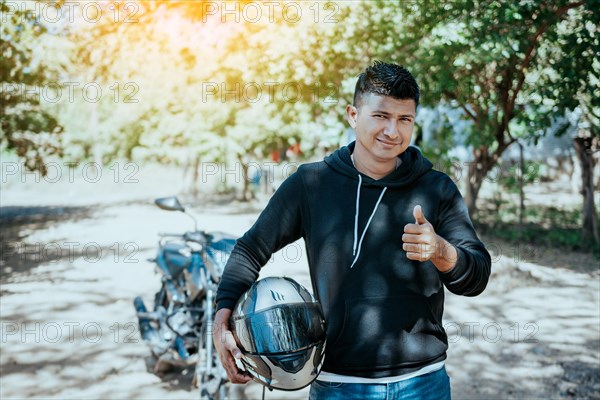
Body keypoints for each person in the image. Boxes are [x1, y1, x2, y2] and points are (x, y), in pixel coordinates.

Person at [213, 61, 492, 400]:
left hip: (423, 382)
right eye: (380, 116)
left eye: (405, 119)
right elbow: (249, 249)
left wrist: (441, 251)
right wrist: (222, 319)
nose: (393, 131)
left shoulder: (436, 188)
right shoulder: (311, 183)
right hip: (338, 384)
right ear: (352, 115)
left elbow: (477, 275)